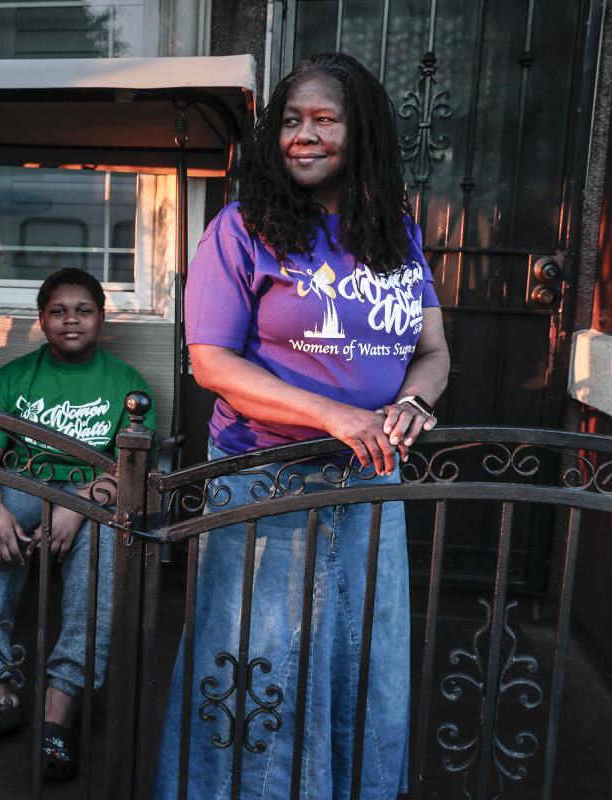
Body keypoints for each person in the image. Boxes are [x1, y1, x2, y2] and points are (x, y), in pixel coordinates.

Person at [153, 53, 450, 799]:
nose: (304, 136)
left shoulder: (396, 234)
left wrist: (413, 403)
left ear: (363, 132)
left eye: (325, 120)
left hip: (371, 483)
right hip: (267, 483)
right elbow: (210, 363)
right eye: (292, 121)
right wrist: (331, 413)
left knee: (358, 663)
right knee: (256, 668)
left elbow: (434, 351)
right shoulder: (241, 229)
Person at [0, 268, 156, 781]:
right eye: (58, 311)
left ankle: (61, 707)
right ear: (42, 320)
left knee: (105, 541)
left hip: (96, 495)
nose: (71, 320)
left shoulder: (128, 384)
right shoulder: (15, 376)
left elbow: (135, 470)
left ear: (101, 318)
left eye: (83, 310)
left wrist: (80, 502)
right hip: (23, 485)